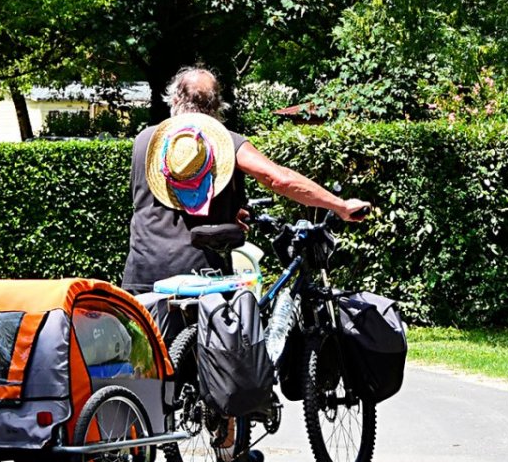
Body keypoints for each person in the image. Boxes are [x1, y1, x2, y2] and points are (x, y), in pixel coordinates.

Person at [122, 66, 372, 294]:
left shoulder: (146, 141)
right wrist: (340, 206)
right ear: (217, 104)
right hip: (200, 277)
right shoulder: (227, 143)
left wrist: (227, 212)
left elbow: (153, 201)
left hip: (142, 274)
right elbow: (279, 180)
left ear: (174, 99)